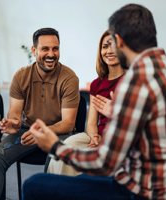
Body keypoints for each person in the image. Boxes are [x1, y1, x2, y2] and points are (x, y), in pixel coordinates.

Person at [23, 4, 166, 200]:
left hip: (139, 192)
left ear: (119, 41)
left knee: (34, 185)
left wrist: (55, 146)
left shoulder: (136, 82)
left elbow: (104, 162)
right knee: (79, 179)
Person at [0, 27, 80, 199]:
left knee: (56, 163)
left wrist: (41, 133)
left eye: (55, 48)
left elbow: (68, 123)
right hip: (27, 131)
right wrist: (14, 122)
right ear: (34, 50)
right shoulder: (21, 76)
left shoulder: (69, 78)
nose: (51, 54)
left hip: (60, 134)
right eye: (45, 49)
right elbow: (15, 112)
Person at [48, 30, 125, 176]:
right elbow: (91, 123)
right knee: (64, 149)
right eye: (105, 46)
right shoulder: (97, 84)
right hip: (98, 138)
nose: (109, 51)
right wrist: (95, 136)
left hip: (119, 143)